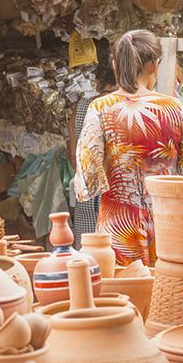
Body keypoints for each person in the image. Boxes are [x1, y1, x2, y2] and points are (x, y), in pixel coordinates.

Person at [73, 29, 183, 266]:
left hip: (118, 227)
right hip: (168, 224)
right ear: (153, 65)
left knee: (123, 293)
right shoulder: (174, 108)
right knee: (166, 291)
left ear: (115, 65)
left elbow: (87, 180)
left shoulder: (100, 108)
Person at [67, 40, 117, 245]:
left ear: (97, 79)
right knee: (117, 261)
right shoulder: (124, 106)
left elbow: (73, 156)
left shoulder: (81, 108)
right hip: (117, 197)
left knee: (87, 258)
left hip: (87, 193)